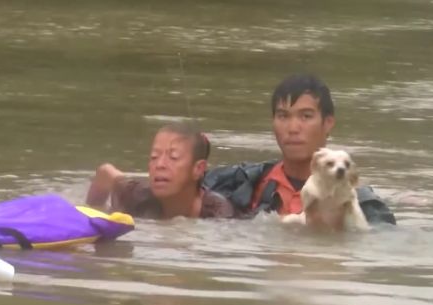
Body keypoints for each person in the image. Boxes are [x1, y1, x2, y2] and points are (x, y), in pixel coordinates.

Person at [204, 74, 396, 225]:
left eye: (305, 116)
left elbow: (381, 240)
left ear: (328, 123)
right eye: (283, 116)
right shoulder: (245, 181)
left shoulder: (363, 203)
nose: (293, 128)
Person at [85, 123, 235, 219]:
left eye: (173, 157)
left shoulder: (218, 214)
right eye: (154, 157)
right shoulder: (137, 195)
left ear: (198, 169)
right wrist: (92, 211)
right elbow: (105, 173)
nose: (160, 165)